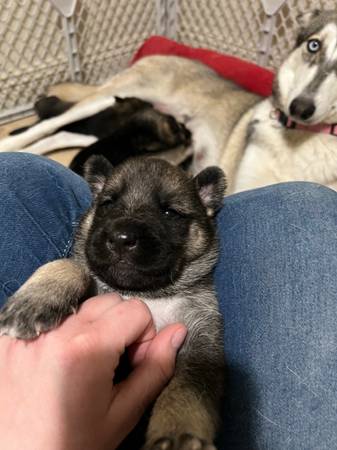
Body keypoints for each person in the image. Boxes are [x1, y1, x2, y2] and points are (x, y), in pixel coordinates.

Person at [0, 152, 336, 450]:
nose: (123, 232)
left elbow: (201, 371)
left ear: (206, 211)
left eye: (171, 212)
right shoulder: (79, 273)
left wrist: (180, 430)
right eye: (109, 203)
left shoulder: (194, 303)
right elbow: (76, 268)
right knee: (18, 175)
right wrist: (61, 276)